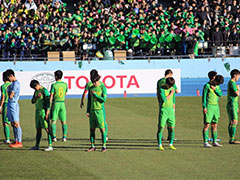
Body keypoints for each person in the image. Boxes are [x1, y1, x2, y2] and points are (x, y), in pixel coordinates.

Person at [80, 69, 109, 140]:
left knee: (97, 125)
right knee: (103, 122)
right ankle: (106, 135)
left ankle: (104, 137)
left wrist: (82, 101)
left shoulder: (90, 84)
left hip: (97, 106)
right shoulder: (99, 84)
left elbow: (85, 93)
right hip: (99, 106)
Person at [87, 71, 107, 152]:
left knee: (102, 129)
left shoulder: (102, 88)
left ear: (98, 79)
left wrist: (96, 95)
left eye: (95, 81)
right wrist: (87, 111)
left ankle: (104, 146)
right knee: (92, 129)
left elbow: (104, 100)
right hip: (92, 111)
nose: (94, 83)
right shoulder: (91, 88)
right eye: (93, 82)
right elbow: (89, 100)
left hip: (99, 111)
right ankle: (92, 146)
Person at [30, 80, 53, 151]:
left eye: (35, 87)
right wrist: (36, 97)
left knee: (47, 128)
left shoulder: (44, 91)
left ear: (38, 84)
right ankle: (37, 145)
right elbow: (32, 101)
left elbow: (48, 102)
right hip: (37, 112)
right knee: (38, 129)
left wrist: (47, 112)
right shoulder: (36, 92)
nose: (35, 89)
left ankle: (50, 146)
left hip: (43, 111)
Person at [202, 74, 224, 148]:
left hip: (216, 107)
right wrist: (204, 107)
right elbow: (204, 97)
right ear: (213, 77)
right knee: (207, 124)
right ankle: (205, 142)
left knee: (215, 124)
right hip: (209, 106)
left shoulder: (217, 86)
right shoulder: (207, 86)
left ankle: (214, 141)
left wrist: (215, 89)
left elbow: (220, 94)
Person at [157, 69, 178, 141]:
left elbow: (157, 91)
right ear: (170, 74)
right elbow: (177, 91)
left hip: (162, 103)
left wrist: (159, 100)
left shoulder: (159, 81)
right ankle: (169, 136)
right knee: (170, 120)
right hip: (170, 102)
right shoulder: (170, 82)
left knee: (161, 121)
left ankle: (161, 136)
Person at [5, 69, 22, 148]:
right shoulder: (12, 84)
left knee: (16, 123)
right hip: (10, 104)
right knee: (12, 123)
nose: (8, 80)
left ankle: (19, 141)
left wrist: (9, 91)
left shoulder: (16, 84)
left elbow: (11, 95)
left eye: (9, 78)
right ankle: (15, 139)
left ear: (11, 76)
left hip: (13, 104)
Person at [50, 70, 68, 142]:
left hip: (56, 103)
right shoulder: (65, 84)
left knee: (53, 121)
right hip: (62, 103)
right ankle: (64, 137)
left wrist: (49, 104)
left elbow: (51, 95)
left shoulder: (54, 85)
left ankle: (54, 137)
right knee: (64, 121)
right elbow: (65, 93)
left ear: (56, 76)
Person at [227, 69, 240, 144]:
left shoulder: (233, 83)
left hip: (234, 104)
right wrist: (238, 88)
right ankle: (232, 139)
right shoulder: (232, 83)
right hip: (231, 104)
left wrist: (237, 106)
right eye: (238, 75)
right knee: (234, 121)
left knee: (232, 121)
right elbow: (237, 93)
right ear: (234, 75)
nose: (239, 77)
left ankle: (232, 138)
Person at [0, 71, 11, 144]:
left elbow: (3, 97)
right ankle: (17, 139)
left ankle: (7, 139)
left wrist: (0, 106)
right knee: (13, 122)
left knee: (5, 122)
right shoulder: (12, 84)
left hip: (6, 105)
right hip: (13, 104)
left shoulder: (3, 86)